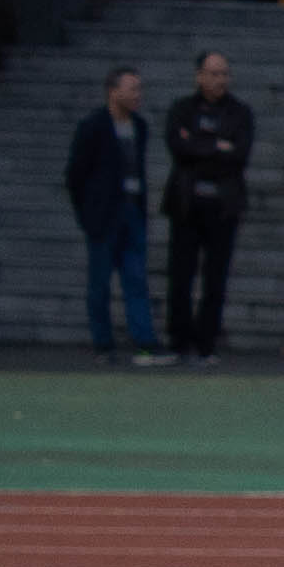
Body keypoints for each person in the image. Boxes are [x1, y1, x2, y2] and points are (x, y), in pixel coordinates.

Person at [162, 51, 256, 363]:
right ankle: (179, 340)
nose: (220, 80)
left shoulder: (239, 112)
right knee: (181, 275)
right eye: (213, 74)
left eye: (224, 74)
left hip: (223, 205)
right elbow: (178, 147)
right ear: (199, 76)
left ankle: (206, 343)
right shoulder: (182, 109)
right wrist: (217, 146)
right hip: (186, 203)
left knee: (215, 277)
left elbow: (239, 154)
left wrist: (199, 146)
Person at [66, 66, 161, 362]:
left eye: (139, 89)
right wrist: (87, 214)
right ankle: (103, 344)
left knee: (136, 278)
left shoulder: (139, 126)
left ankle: (145, 341)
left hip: (132, 209)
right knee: (100, 282)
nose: (137, 95)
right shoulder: (93, 126)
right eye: (132, 89)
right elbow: (75, 175)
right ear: (113, 91)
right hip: (104, 215)